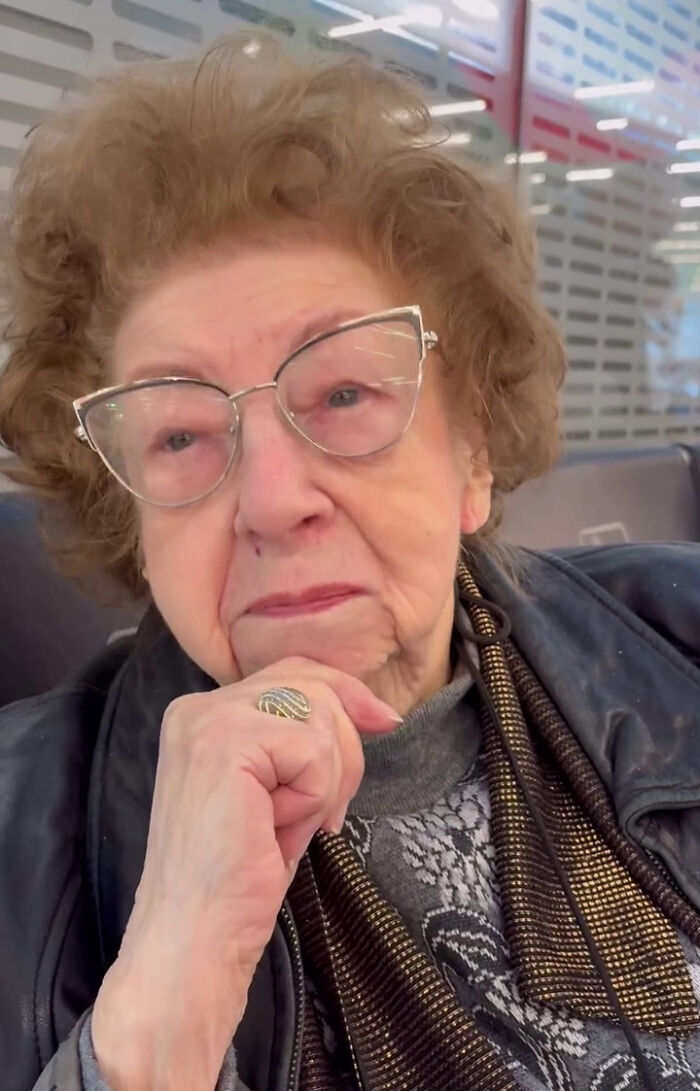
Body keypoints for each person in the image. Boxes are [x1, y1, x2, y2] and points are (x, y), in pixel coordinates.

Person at [1, 32, 699, 1091]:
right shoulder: (16, 840)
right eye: (182, 435)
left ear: (470, 455)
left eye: (343, 395)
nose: (273, 501)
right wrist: (154, 1027)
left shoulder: (679, 636)